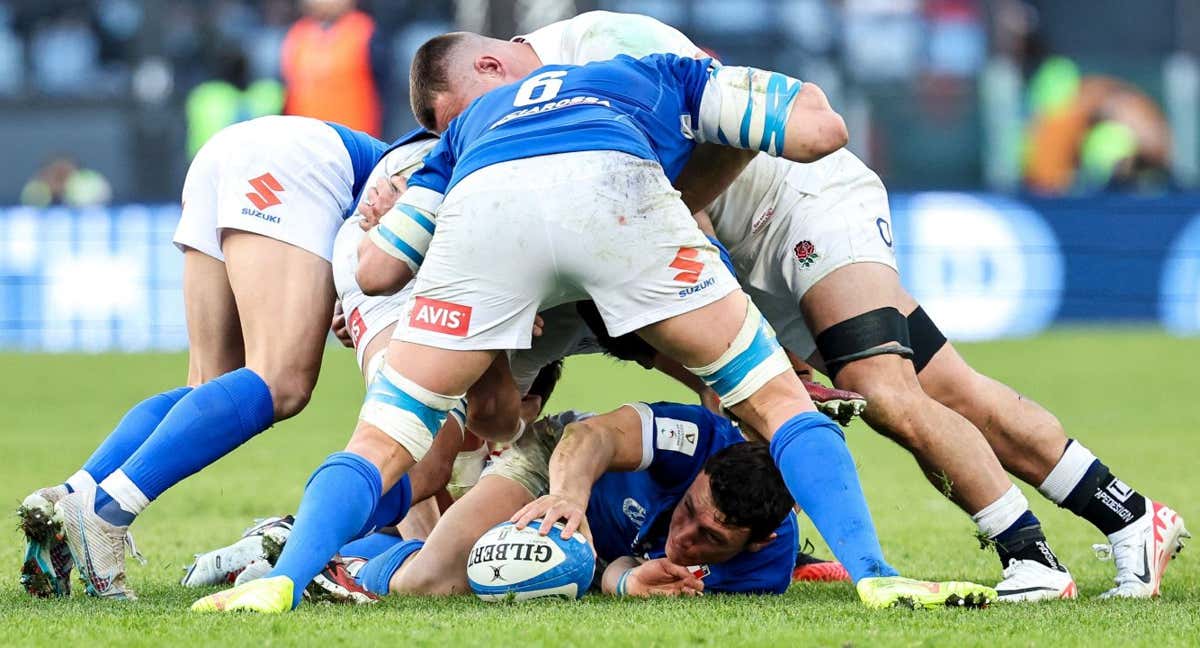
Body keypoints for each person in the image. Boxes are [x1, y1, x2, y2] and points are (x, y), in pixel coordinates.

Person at [394, 11, 1189, 600]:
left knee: (883, 392)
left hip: (799, 204)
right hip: (731, 250)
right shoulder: (532, 137)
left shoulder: (602, 45)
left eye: (452, 122)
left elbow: (718, 139)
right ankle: (1129, 518)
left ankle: (1030, 560)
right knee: (951, 393)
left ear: (493, 69)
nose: (464, 140)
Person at [191, 47, 994, 614]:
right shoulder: (653, 72)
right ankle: (876, 573)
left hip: (487, 211)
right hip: (614, 197)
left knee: (384, 443)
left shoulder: (472, 123)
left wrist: (379, 242)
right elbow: (820, 131)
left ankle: (282, 582)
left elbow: (376, 274)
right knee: (781, 404)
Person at [17, 115, 387, 600]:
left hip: (230, 152)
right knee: (281, 382)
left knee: (213, 385)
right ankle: (106, 509)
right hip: (298, 163)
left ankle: (70, 497)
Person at [355, 402, 800, 599]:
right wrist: (567, 498)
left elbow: (635, 571)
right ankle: (349, 564)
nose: (684, 538)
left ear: (759, 541)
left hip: (607, 548)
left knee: (497, 577)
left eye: (710, 537)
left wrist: (626, 584)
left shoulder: (757, 576)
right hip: (557, 471)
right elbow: (591, 435)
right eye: (687, 511)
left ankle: (390, 545)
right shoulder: (696, 437)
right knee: (428, 585)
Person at [281, 0, 388, 137]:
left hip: (353, 142)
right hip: (305, 141)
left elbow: (385, 92)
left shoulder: (366, 32)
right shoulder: (296, 35)